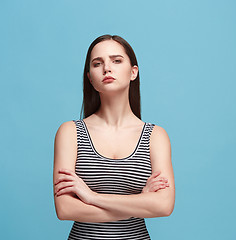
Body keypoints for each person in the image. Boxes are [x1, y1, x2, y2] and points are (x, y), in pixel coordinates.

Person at [53, 34, 175, 240]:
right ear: (90, 78)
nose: (107, 68)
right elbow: (65, 209)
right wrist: (140, 202)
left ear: (133, 72)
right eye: (97, 63)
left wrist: (92, 197)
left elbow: (164, 205)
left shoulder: (155, 136)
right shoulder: (70, 132)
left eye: (116, 61)